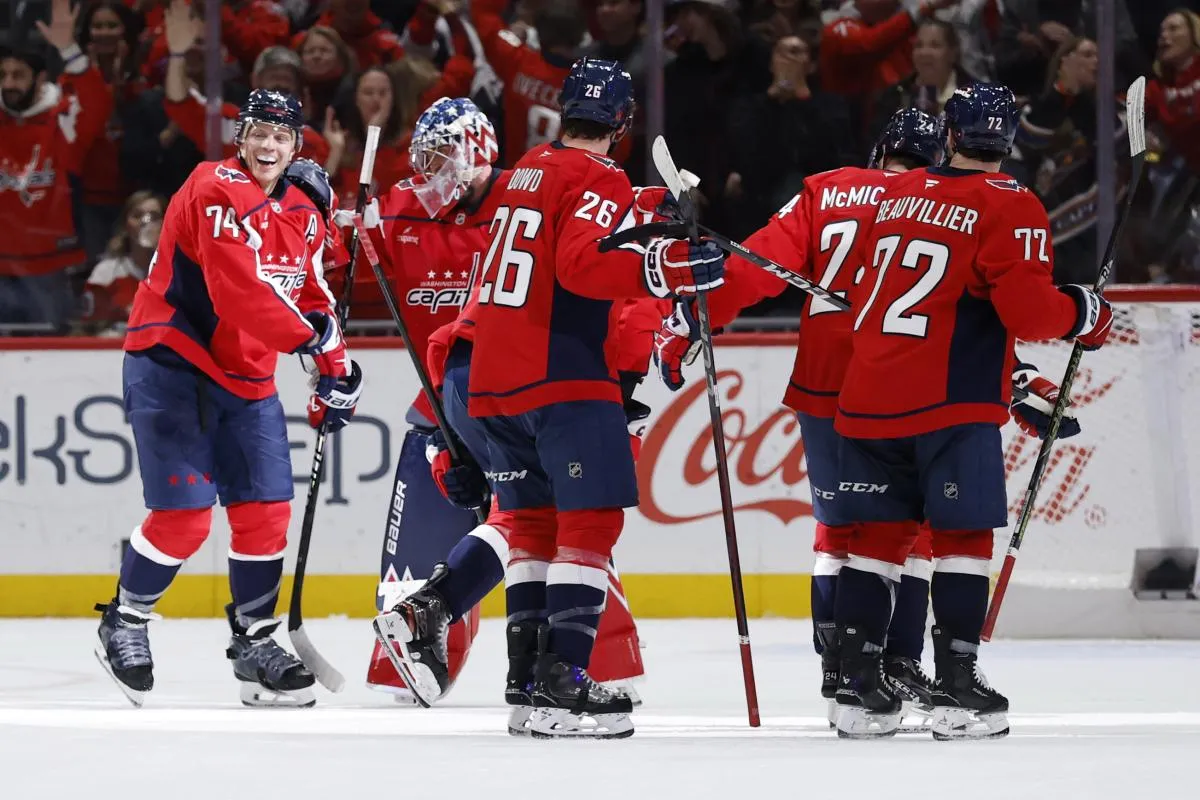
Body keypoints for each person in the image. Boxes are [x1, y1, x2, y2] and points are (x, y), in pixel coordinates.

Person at [831, 83, 1113, 739]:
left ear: (950, 135)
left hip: (867, 397)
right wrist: (1086, 313)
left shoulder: (893, 194)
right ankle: (957, 688)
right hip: (950, 404)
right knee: (960, 543)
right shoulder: (1010, 204)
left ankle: (858, 691)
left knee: (872, 546)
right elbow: (1030, 314)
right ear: (1008, 138)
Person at [459, 57, 725, 739]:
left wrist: (647, 213)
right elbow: (581, 263)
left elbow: (565, 237)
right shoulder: (596, 174)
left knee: (534, 530)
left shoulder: (524, 170)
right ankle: (562, 684)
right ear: (624, 123)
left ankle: (526, 683)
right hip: (563, 375)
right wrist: (661, 263)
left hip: (496, 378)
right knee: (591, 526)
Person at [652, 107, 945, 727]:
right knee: (908, 534)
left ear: (879, 150)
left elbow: (752, 270)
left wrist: (693, 320)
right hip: (907, 384)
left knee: (838, 532)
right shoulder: (941, 204)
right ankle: (891, 664)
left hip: (824, 385)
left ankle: (838, 673)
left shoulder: (827, 189)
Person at [93, 90, 363, 710]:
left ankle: (256, 643)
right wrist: (310, 341)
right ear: (241, 136)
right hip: (172, 363)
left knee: (265, 511)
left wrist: (339, 370)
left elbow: (314, 295)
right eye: (259, 132)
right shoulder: (213, 185)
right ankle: (126, 619)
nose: (269, 145)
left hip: (246, 377)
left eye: (282, 136)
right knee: (186, 517)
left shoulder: (302, 211)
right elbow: (242, 294)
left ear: (297, 147)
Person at [371, 185, 678, 718]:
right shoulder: (627, 240)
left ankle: (524, 677)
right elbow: (634, 320)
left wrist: (448, 444)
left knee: (523, 516)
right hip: (535, 383)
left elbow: (460, 335)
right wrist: (621, 391)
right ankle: (435, 609)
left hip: (467, 378)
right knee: (556, 520)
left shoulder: (528, 221)